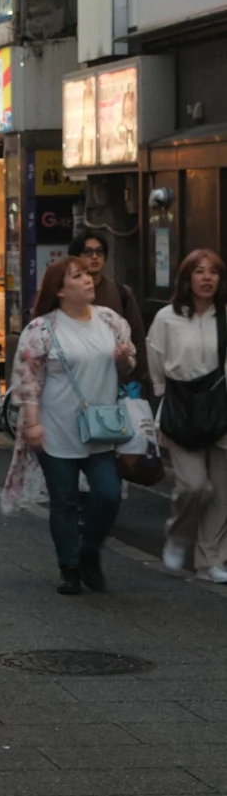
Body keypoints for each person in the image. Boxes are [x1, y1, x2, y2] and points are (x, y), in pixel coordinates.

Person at [3, 255, 136, 593]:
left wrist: (124, 360)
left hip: (101, 426)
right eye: (78, 276)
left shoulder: (110, 321)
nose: (88, 279)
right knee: (63, 500)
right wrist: (32, 423)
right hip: (56, 424)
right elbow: (27, 379)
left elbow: (127, 369)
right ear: (60, 290)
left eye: (88, 275)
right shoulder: (42, 329)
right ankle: (70, 567)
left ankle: (89, 550)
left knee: (107, 495)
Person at [147, 248, 227, 579]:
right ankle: (178, 538)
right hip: (181, 408)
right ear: (186, 278)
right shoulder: (167, 317)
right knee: (193, 485)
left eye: (213, 272)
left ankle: (211, 560)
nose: (207, 278)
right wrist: (165, 396)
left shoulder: (224, 316)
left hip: (221, 408)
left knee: (222, 491)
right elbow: (156, 362)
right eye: (199, 271)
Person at [73, 232, 149, 391]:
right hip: (75, 378)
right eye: (87, 252)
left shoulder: (121, 293)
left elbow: (138, 338)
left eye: (99, 252)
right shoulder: (65, 294)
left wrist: (142, 380)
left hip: (116, 382)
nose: (94, 257)